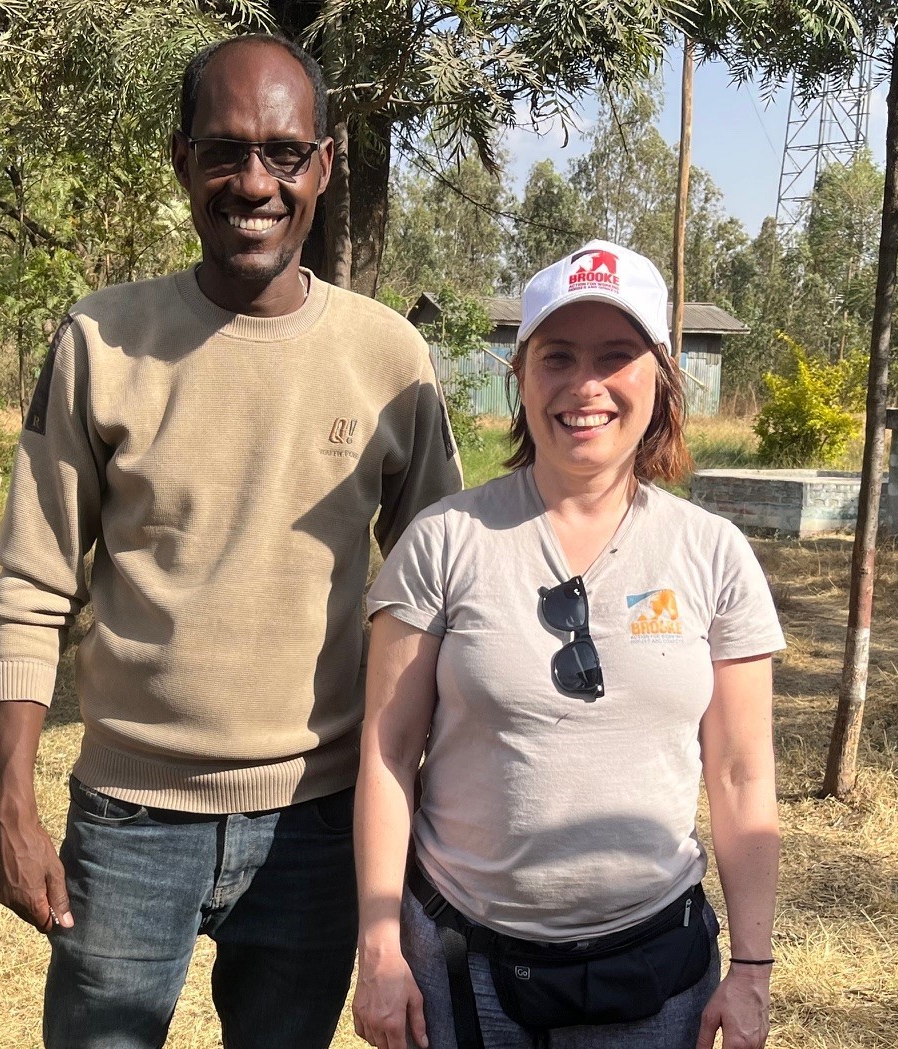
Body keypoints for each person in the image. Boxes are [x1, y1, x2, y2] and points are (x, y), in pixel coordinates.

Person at [0, 33, 463, 1049]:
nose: (255, 182)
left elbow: (442, 600)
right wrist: (7, 801)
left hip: (316, 823)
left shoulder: (389, 360)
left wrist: (433, 816)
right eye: (224, 151)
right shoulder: (100, 343)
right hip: (128, 818)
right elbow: (33, 582)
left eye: (285, 154)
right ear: (181, 161)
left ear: (325, 165)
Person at [351, 240, 785, 1049]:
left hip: (653, 972)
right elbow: (386, 750)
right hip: (461, 966)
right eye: (558, 357)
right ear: (522, 376)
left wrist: (752, 967)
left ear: (660, 376)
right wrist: (379, 945)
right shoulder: (444, 540)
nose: (586, 386)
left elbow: (740, 771)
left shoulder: (712, 552)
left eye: (616, 357)